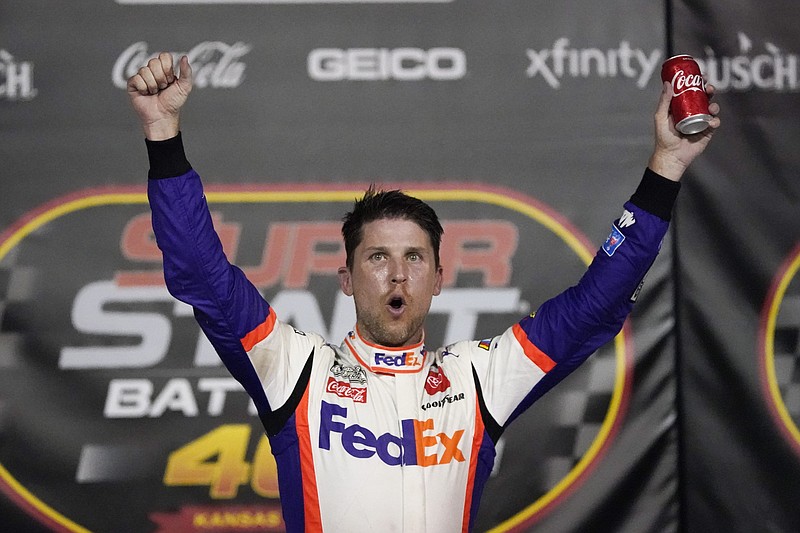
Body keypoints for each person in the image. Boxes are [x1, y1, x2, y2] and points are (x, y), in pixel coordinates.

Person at [127, 52, 720, 533]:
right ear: (347, 278)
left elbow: (596, 306)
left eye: (414, 258)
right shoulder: (294, 368)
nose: (397, 275)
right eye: (377, 258)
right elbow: (202, 275)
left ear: (439, 280)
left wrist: (666, 166)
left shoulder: (478, 379)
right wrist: (163, 135)